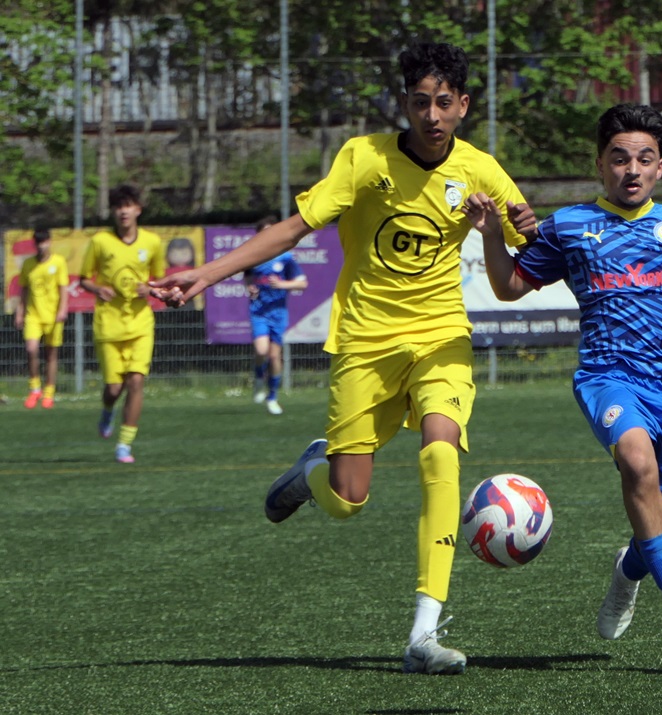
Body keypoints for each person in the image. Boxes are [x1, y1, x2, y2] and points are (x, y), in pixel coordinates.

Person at [150, 42, 537, 675]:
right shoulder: (363, 158)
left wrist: (518, 226)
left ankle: (424, 633)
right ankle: (310, 472)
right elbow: (292, 230)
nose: (432, 115)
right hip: (365, 342)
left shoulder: (482, 171)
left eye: (444, 102)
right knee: (348, 498)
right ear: (404, 103)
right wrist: (206, 275)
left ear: (463, 106)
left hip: (441, 336)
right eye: (420, 102)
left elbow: (529, 255)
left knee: (441, 453)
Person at [464, 103, 662, 647]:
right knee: (635, 461)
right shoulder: (569, 227)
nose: (632, 169)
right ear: (600, 165)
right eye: (620, 158)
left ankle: (626, 573)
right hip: (609, 376)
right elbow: (509, 287)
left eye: (644, 159)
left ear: (660, 168)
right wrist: (491, 236)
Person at [80, 184, 166, 463]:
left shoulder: (152, 242)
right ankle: (107, 410)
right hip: (108, 325)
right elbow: (84, 279)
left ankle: (124, 444)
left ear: (138, 209)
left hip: (140, 324)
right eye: (118, 207)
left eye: (128, 206)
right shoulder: (100, 242)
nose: (123, 211)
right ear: (113, 212)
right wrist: (97, 289)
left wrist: (149, 289)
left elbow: (159, 280)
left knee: (136, 381)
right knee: (114, 389)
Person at [243, 215, 308, 415]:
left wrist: (282, 284)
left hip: (278, 312)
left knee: (274, 355)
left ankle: (272, 397)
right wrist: (250, 288)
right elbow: (247, 277)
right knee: (261, 350)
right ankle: (259, 378)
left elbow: (302, 283)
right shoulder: (253, 257)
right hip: (259, 311)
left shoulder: (286, 258)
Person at [14, 228, 69, 409]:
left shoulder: (58, 262)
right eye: (38, 242)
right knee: (31, 349)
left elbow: (63, 287)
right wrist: (20, 312)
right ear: (35, 244)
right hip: (34, 315)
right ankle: (35, 388)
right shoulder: (28, 264)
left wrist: (62, 309)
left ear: (49, 242)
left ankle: (49, 392)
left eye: (44, 241)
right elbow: (24, 289)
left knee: (51, 354)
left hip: (53, 316)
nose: (41, 246)